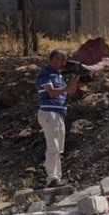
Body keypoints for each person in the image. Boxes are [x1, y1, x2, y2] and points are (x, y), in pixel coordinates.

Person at [36, 49, 82, 187]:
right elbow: (50, 92)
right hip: (49, 113)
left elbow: (69, 92)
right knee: (53, 147)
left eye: (64, 60)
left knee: (58, 148)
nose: (63, 63)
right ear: (52, 59)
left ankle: (57, 177)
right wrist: (67, 88)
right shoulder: (45, 73)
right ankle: (52, 178)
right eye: (60, 59)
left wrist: (75, 82)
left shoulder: (59, 76)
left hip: (59, 114)